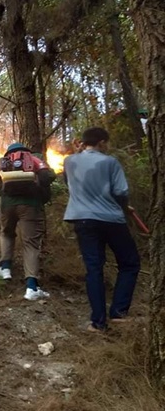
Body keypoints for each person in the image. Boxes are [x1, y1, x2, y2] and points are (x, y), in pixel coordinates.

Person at [63, 127, 140, 333]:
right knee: (130, 263)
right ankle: (118, 312)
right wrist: (124, 205)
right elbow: (120, 191)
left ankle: (98, 322)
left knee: (94, 269)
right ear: (102, 142)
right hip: (111, 219)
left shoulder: (69, 161)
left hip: (83, 220)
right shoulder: (110, 162)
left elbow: (70, 184)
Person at [0, 142, 56, 300]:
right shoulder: (35, 159)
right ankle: (31, 287)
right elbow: (48, 177)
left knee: (6, 233)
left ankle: (5, 268)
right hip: (31, 206)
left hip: (7, 206)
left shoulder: (4, 162)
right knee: (30, 243)